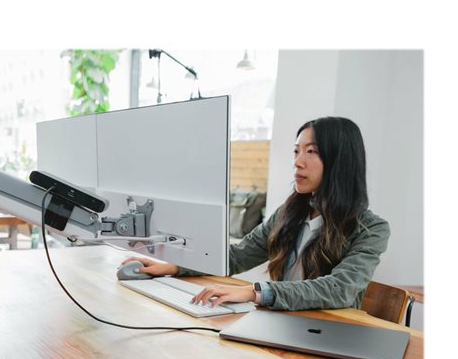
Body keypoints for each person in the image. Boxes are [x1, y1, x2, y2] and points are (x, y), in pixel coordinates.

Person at [121, 116, 390, 311]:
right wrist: (175, 266)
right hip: (283, 323)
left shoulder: (371, 229)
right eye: (296, 151)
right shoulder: (290, 213)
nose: (297, 162)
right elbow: (238, 256)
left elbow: (339, 289)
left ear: (340, 161)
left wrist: (254, 292)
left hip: (329, 333)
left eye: (311, 152)